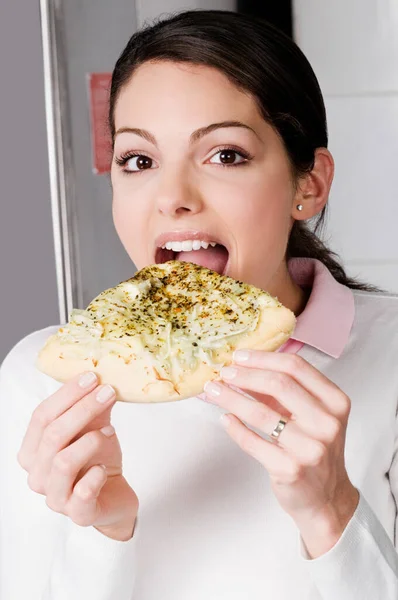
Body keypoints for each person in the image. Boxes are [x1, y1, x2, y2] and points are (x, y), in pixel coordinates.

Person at [1, 9, 397, 600]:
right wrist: (103, 534)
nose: (172, 198)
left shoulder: (391, 353)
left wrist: (333, 511)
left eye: (225, 155)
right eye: (139, 160)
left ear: (308, 183)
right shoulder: (43, 381)